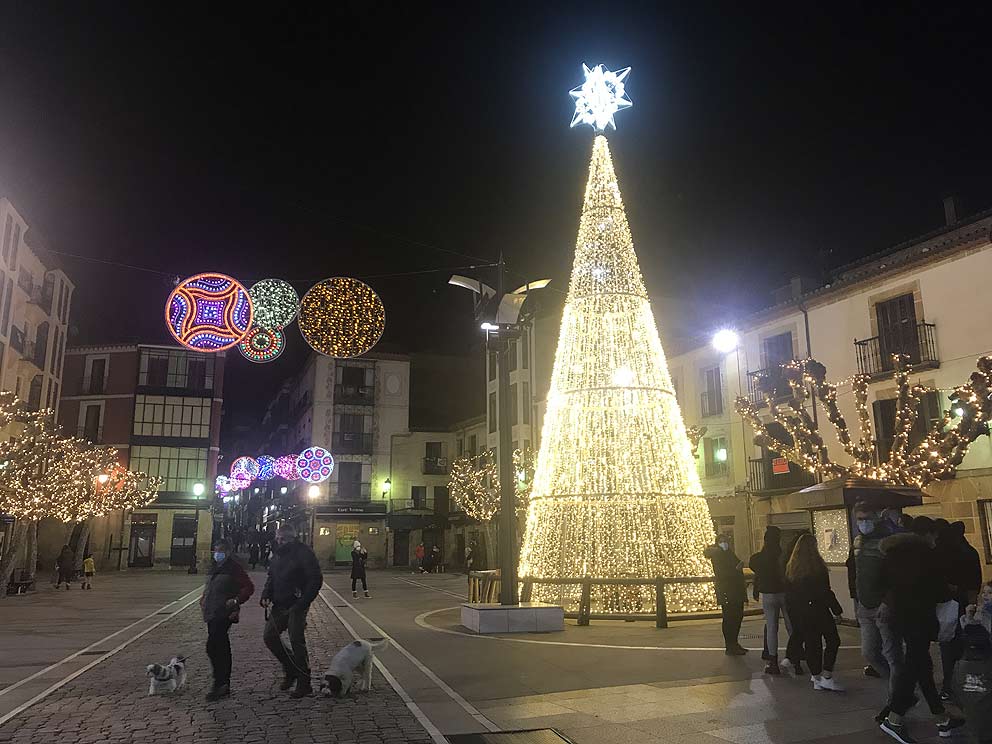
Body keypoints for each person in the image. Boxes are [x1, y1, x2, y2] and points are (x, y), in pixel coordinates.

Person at [879, 516, 965, 743]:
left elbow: (882, 583)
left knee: (921, 665)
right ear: (927, 534)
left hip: (900, 616)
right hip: (921, 617)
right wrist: (951, 590)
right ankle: (894, 718)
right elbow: (938, 590)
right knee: (914, 664)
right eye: (934, 535)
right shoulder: (926, 555)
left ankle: (940, 716)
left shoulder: (892, 553)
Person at [850, 502, 903, 714]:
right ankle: (902, 689)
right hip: (865, 606)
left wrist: (887, 601)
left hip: (884, 607)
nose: (863, 523)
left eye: (866, 518)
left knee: (892, 654)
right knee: (870, 652)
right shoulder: (859, 542)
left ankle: (896, 701)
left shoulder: (887, 542)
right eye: (859, 519)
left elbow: (896, 576)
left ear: (876, 517)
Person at [260, 524, 323, 698]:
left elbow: (315, 579)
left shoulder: (304, 553)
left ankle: (304, 682)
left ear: (291, 538)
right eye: (277, 539)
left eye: (282, 539)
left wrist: (302, 602)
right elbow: (271, 576)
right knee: (270, 637)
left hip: (297, 604)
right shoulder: (277, 554)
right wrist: (266, 594)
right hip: (279, 603)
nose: (279, 542)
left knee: (297, 641)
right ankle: (290, 668)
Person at [785, 533, 844, 691]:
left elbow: (790, 594)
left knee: (812, 644)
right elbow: (826, 591)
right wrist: (836, 610)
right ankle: (826, 674)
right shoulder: (818, 567)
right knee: (832, 640)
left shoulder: (792, 568)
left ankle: (816, 676)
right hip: (820, 610)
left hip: (802, 612)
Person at [200, 538, 254, 701]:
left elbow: (248, 587)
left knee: (216, 645)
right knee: (215, 646)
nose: (218, 553)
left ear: (228, 552)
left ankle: (221, 683)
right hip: (211, 611)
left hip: (224, 612)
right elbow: (210, 586)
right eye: (216, 550)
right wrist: (203, 598)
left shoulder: (234, 568)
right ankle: (220, 682)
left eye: (221, 551)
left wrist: (236, 601)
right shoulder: (214, 567)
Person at [939, 521, 983, 701]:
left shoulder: (948, 553)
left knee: (949, 646)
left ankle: (950, 684)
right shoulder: (969, 552)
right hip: (964, 603)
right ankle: (963, 682)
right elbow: (975, 582)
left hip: (952, 604)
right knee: (963, 645)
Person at [749, 526, 793, 675]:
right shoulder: (784, 556)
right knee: (790, 625)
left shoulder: (758, 558)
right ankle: (795, 655)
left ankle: (772, 660)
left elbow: (755, 569)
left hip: (768, 594)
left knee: (771, 627)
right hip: (785, 593)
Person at [705, 533, 747, 655]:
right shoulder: (718, 555)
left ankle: (734, 643)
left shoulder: (728, 553)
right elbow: (722, 573)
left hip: (735, 589)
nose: (725, 543)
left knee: (737, 617)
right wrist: (735, 570)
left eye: (726, 541)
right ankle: (730, 645)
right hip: (727, 590)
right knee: (730, 618)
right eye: (722, 541)